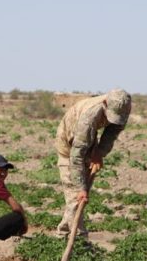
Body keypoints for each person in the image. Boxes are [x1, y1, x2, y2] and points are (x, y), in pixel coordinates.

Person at [55, 89, 132, 237]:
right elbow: (76, 157)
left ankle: (64, 232)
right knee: (75, 196)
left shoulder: (123, 109)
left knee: (76, 199)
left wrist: (99, 154)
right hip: (69, 146)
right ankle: (77, 238)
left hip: (89, 142)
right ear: (104, 104)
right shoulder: (88, 119)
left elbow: (112, 133)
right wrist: (81, 187)